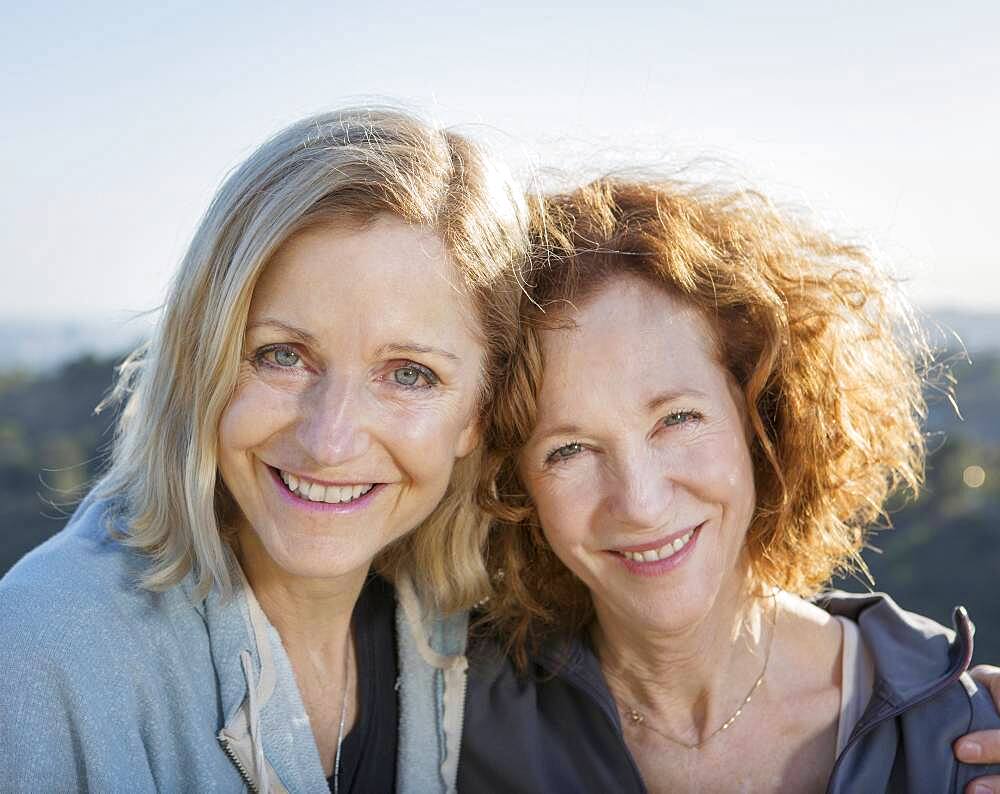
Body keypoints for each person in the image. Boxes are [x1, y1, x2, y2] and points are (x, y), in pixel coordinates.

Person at [0, 107, 529, 793]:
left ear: (476, 415)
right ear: (203, 359)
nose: (330, 440)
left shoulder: (466, 629)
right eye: (282, 356)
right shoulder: (41, 653)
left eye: (408, 374)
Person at [459, 177, 1000, 792]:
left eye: (677, 419)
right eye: (570, 449)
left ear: (762, 412)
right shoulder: (454, 721)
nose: (640, 502)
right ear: (513, 484)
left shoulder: (954, 729)